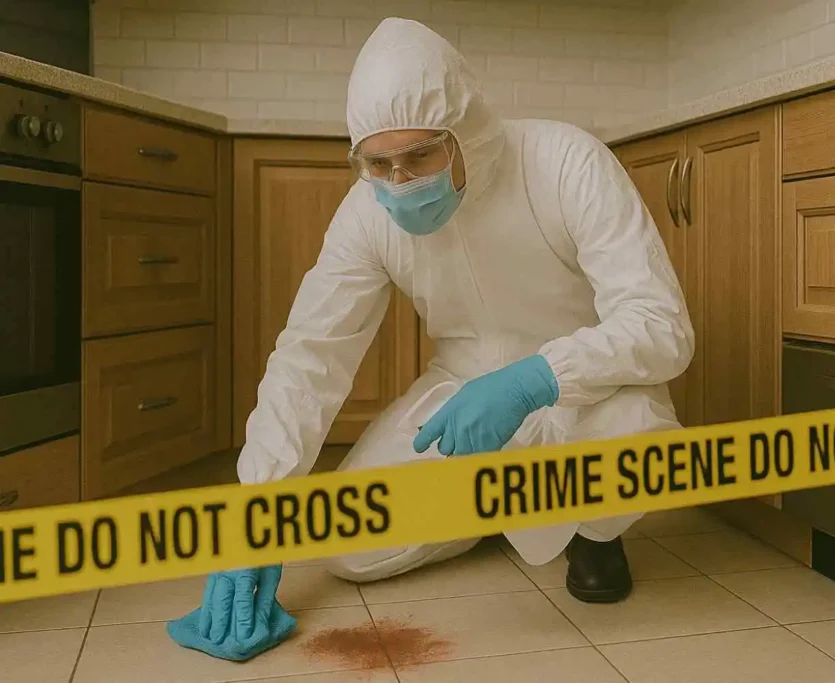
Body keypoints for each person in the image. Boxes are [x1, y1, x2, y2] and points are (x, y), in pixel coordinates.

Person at [169, 17, 694, 661]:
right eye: (378, 163)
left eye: (419, 156)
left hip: (585, 391)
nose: (401, 182)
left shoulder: (566, 161)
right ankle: (505, 509)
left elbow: (660, 325)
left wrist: (534, 379)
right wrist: (257, 505)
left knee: (634, 444)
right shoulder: (366, 213)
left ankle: (594, 534)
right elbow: (311, 353)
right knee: (349, 545)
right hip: (460, 397)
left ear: (465, 130)